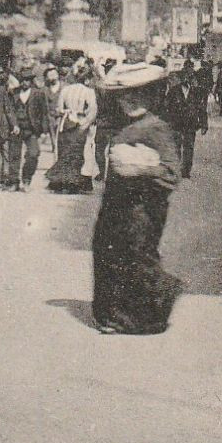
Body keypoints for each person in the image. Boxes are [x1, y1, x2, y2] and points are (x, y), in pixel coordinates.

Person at [92, 62, 184, 335]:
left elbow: (171, 173)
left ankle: (150, 310)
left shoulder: (155, 127)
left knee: (137, 256)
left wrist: (143, 166)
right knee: (108, 251)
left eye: (138, 93)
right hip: (117, 203)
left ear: (152, 95)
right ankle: (114, 314)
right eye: (124, 94)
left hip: (143, 207)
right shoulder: (127, 124)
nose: (130, 100)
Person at [47, 60, 99, 193]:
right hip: (81, 124)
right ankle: (78, 182)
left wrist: (66, 112)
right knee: (83, 153)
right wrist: (86, 123)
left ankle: (63, 182)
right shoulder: (89, 92)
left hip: (66, 123)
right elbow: (92, 111)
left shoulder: (65, 90)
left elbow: (59, 109)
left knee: (65, 151)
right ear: (86, 79)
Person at [163, 61, 208, 179]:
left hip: (191, 123)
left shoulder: (197, 92)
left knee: (189, 147)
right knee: (176, 146)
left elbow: (202, 108)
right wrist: (166, 121)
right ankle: (176, 169)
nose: (187, 79)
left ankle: (186, 171)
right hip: (176, 123)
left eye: (189, 77)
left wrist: (204, 124)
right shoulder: (174, 91)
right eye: (184, 77)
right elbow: (166, 106)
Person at [16, 68, 50, 190]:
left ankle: (26, 178)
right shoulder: (14, 93)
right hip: (16, 129)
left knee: (33, 154)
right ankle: (13, 181)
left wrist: (45, 131)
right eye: (23, 80)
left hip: (32, 129)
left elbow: (44, 113)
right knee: (14, 155)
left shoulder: (38, 94)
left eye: (27, 80)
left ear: (31, 81)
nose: (25, 83)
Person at [0, 65, 23, 191]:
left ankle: (6, 178)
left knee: (5, 151)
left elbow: (9, 109)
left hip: (3, 124)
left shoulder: (5, 90)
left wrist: (14, 124)